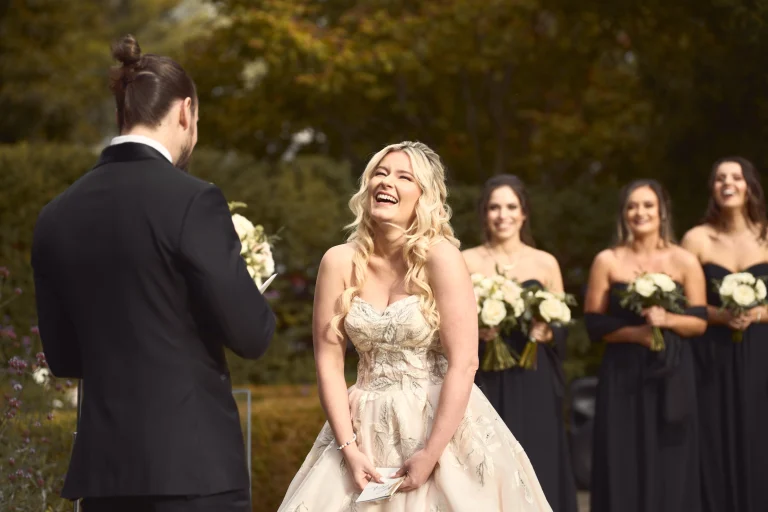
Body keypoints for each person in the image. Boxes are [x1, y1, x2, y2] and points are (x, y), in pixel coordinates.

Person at [31, 35, 275, 512]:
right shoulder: (193, 201)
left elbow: (62, 357)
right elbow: (252, 335)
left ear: (121, 111)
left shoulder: (55, 215)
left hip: (105, 480)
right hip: (194, 471)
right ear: (186, 111)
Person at [277, 142, 552, 511]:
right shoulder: (338, 262)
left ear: (424, 195)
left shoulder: (442, 258)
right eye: (380, 173)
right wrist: (348, 448)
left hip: (438, 422)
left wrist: (431, 453)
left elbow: (464, 363)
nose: (386, 181)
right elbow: (328, 363)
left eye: (403, 177)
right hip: (361, 427)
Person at [584, 179, 706, 512]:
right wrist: (635, 334)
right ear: (623, 213)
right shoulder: (607, 260)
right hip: (622, 372)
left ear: (662, 211)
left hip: (673, 370)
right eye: (632, 206)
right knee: (622, 453)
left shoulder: (684, 260)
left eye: (648, 205)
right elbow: (594, 323)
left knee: (672, 457)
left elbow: (699, 322)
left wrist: (668, 320)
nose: (640, 212)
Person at [461, 175, 577, 512]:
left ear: (524, 213)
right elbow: (446, 320)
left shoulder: (545, 262)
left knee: (538, 457)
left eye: (511, 207)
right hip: (485, 376)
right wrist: (475, 332)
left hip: (534, 374)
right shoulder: (466, 260)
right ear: (484, 214)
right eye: (494, 208)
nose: (503, 215)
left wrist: (549, 332)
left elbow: (563, 321)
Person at [681, 156, 768, 512]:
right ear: (713, 188)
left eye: (736, 177)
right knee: (714, 434)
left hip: (761, 350)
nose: (727, 183)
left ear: (749, 186)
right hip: (711, 352)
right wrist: (721, 315)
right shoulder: (697, 239)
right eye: (720, 178)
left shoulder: (767, 235)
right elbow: (683, 303)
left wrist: (756, 313)